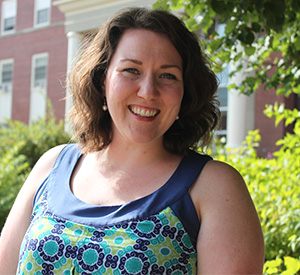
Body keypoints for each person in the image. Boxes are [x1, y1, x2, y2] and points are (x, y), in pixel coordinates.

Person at [0, 7, 264, 275]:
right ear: (103, 80)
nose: (148, 92)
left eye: (168, 75)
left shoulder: (213, 187)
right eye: (131, 70)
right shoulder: (51, 167)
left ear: (185, 93)